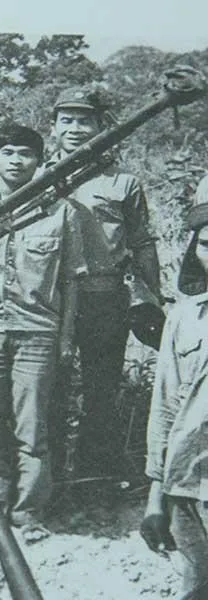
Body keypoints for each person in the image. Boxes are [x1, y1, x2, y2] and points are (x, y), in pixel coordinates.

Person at [0, 124, 87, 543]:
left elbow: (71, 280)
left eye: (25, 153)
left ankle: (28, 513)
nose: (15, 160)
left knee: (32, 428)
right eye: (6, 152)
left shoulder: (62, 210)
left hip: (36, 333)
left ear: (39, 160)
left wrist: (66, 337)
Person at [47, 86, 161, 484]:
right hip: (50, 299)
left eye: (86, 121)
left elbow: (142, 242)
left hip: (104, 297)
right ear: (53, 127)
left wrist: (155, 296)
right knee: (50, 387)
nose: (76, 129)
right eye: (67, 121)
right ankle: (50, 476)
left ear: (101, 127)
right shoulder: (38, 177)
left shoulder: (123, 182)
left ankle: (95, 477)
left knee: (101, 387)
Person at [140, 195, 208, 599]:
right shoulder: (184, 318)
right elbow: (166, 408)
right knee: (196, 584)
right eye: (207, 245)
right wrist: (156, 498)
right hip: (186, 485)